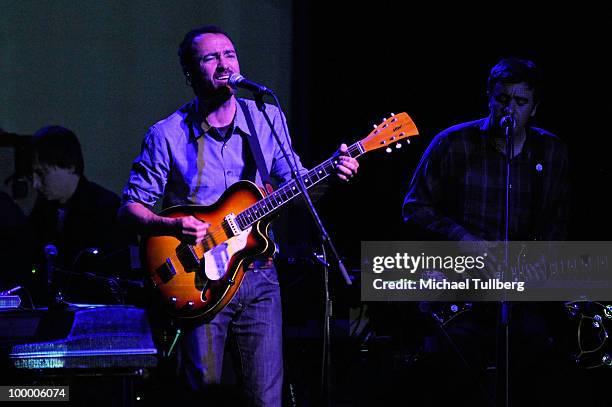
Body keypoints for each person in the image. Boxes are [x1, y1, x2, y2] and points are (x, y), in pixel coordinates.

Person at [118, 25, 358, 406]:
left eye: (229, 54)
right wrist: (171, 224)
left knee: (266, 399)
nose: (223, 64)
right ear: (190, 74)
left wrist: (332, 172)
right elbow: (130, 208)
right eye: (210, 58)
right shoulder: (166, 134)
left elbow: (296, 188)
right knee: (204, 395)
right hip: (196, 278)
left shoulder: (266, 117)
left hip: (260, 274)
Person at [402, 58, 571, 405]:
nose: (509, 110)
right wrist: (465, 241)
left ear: (535, 107)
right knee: (455, 370)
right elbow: (414, 208)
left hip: (523, 295)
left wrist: (543, 259)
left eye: (520, 102)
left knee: (544, 362)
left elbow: (557, 223)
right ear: (488, 97)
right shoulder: (453, 143)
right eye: (502, 99)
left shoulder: (551, 152)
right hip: (460, 290)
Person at [27, 125, 134, 305]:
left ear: (70, 166)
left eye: (41, 173)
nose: (35, 184)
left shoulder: (106, 208)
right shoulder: (42, 211)